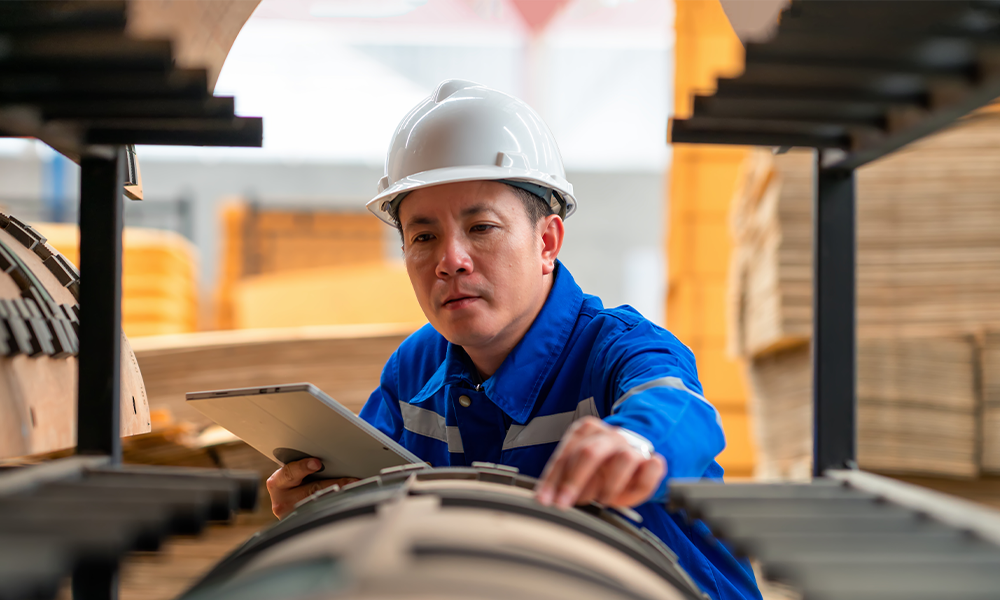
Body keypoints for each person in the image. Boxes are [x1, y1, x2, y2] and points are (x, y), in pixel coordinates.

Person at [266, 80, 762, 600]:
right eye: (423, 236)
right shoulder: (413, 372)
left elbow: (679, 410)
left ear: (546, 242)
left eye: (481, 227)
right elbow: (369, 505)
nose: (449, 260)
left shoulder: (620, 351)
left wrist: (632, 443)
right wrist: (319, 503)